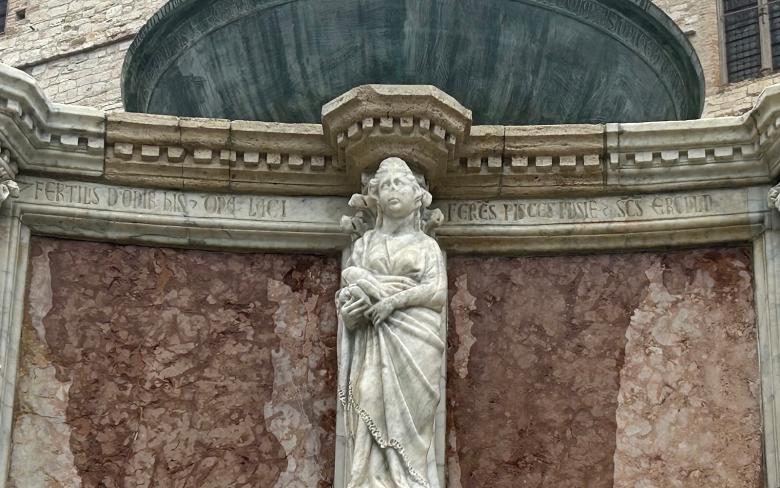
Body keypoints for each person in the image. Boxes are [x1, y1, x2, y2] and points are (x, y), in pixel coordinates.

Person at [337, 157, 446, 488]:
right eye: (385, 185)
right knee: (368, 391)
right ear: (377, 197)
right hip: (373, 341)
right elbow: (351, 302)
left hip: (417, 339)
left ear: (417, 197)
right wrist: (351, 315)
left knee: (414, 417)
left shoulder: (427, 246)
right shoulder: (364, 245)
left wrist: (393, 301)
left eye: (400, 184)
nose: (392, 190)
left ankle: (412, 480)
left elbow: (437, 292)